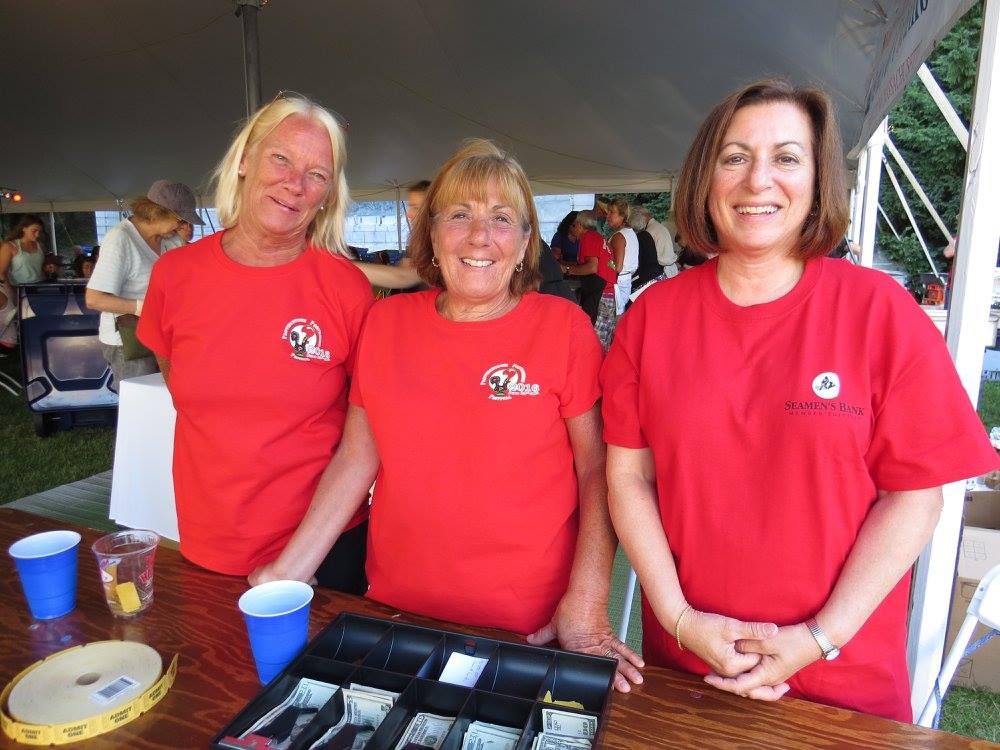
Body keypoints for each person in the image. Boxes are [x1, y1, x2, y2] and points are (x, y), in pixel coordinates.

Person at [601, 78, 998, 721]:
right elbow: (628, 478)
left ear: (819, 180)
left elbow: (916, 496)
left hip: (844, 678)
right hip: (691, 665)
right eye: (735, 157)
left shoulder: (880, 312)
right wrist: (680, 618)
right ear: (705, 177)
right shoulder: (652, 319)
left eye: (787, 157)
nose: (758, 180)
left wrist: (819, 639)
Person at [250, 139, 644, 693]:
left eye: (502, 219)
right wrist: (288, 572)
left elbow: (596, 471)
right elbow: (358, 456)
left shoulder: (562, 328)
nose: (480, 237)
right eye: (459, 215)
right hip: (396, 610)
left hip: (526, 625)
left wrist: (586, 597)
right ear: (431, 235)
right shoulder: (386, 325)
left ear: (526, 240)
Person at [137, 95, 374, 590]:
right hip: (206, 543)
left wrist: (299, 561)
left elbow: (366, 431)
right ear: (245, 159)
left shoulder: (345, 289)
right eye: (281, 157)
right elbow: (178, 380)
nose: (295, 183)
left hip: (321, 553)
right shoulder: (175, 275)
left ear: (328, 194)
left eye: (318, 174)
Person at [86, 181, 201, 390]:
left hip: (165, 336)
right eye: (180, 220)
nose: (181, 226)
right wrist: (144, 307)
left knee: (168, 398)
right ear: (158, 213)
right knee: (140, 405)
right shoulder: (121, 238)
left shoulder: (170, 240)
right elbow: (94, 299)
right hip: (129, 341)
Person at [352, 180, 427, 290]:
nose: (409, 214)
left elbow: (404, 276)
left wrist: (347, 267)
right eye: (410, 206)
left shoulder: (438, 243)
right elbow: (403, 270)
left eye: (415, 208)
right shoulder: (419, 240)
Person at [562, 210, 616, 339]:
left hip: (601, 293)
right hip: (608, 291)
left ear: (580, 225)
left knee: (596, 338)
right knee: (604, 336)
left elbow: (591, 267)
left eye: (573, 225)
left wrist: (566, 269)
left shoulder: (588, 238)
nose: (571, 229)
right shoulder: (597, 236)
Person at [0, 216, 47, 348]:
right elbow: (1, 271)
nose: (37, 234)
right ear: (24, 228)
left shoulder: (40, 246)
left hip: (37, 287)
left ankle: (38, 341)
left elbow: (39, 269)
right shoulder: (10, 246)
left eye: (39, 231)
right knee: (20, 318)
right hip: (17, 288)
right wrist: (11, 291)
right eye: (34, 230)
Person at [606, 198, 638, 316]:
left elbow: (617, 267)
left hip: (618, 281)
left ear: (622, 215)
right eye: (608, 211)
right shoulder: (630, 232)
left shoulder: (619, 236)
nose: (608, 215)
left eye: (612, 212)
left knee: (614, 318)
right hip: (626, 279)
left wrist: (604, 262)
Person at [625, 209, 664, 303]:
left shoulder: (637, 238)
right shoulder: (646, 235)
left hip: (647, 277)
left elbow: (636, 263)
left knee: (631, 303)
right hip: (657, 275)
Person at [633, 206, 679, 278]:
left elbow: (646, 258)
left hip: (663, 271)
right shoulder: (660, 227)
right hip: (671, 269)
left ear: (645, 216)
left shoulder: (649, 232)